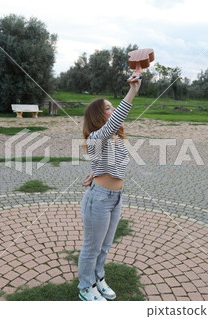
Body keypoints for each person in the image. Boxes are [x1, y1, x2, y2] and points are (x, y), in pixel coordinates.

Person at [77, 79, 141, 301]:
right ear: (98, 115)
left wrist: (94, 171)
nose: (112, 110)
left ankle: (98, 278)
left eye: (112, 106)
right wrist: (133, 91)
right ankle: (86, 287)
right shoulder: (97, 137)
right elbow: (114, 122)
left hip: (116, 197)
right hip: (99, 199)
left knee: (104, 246)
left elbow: (110, 163)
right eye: (108, 107)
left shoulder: (115, 138)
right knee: (92, 247)